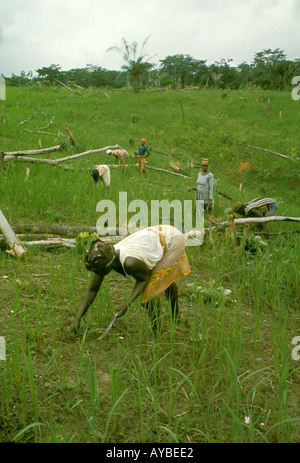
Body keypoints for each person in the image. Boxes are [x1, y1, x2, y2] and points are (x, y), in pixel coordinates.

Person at [69, 225, 191, 333]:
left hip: (172, 240)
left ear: (107, 268)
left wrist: (127, 304)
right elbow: (92, 290)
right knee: (163, 279)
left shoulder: (130, 262)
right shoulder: (106, 257)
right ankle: (176, 316)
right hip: (156, 238)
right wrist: (77, 319)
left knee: (148, 292)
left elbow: (144, 279)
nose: (97, 275)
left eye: (98, 272)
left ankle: (157, 330)